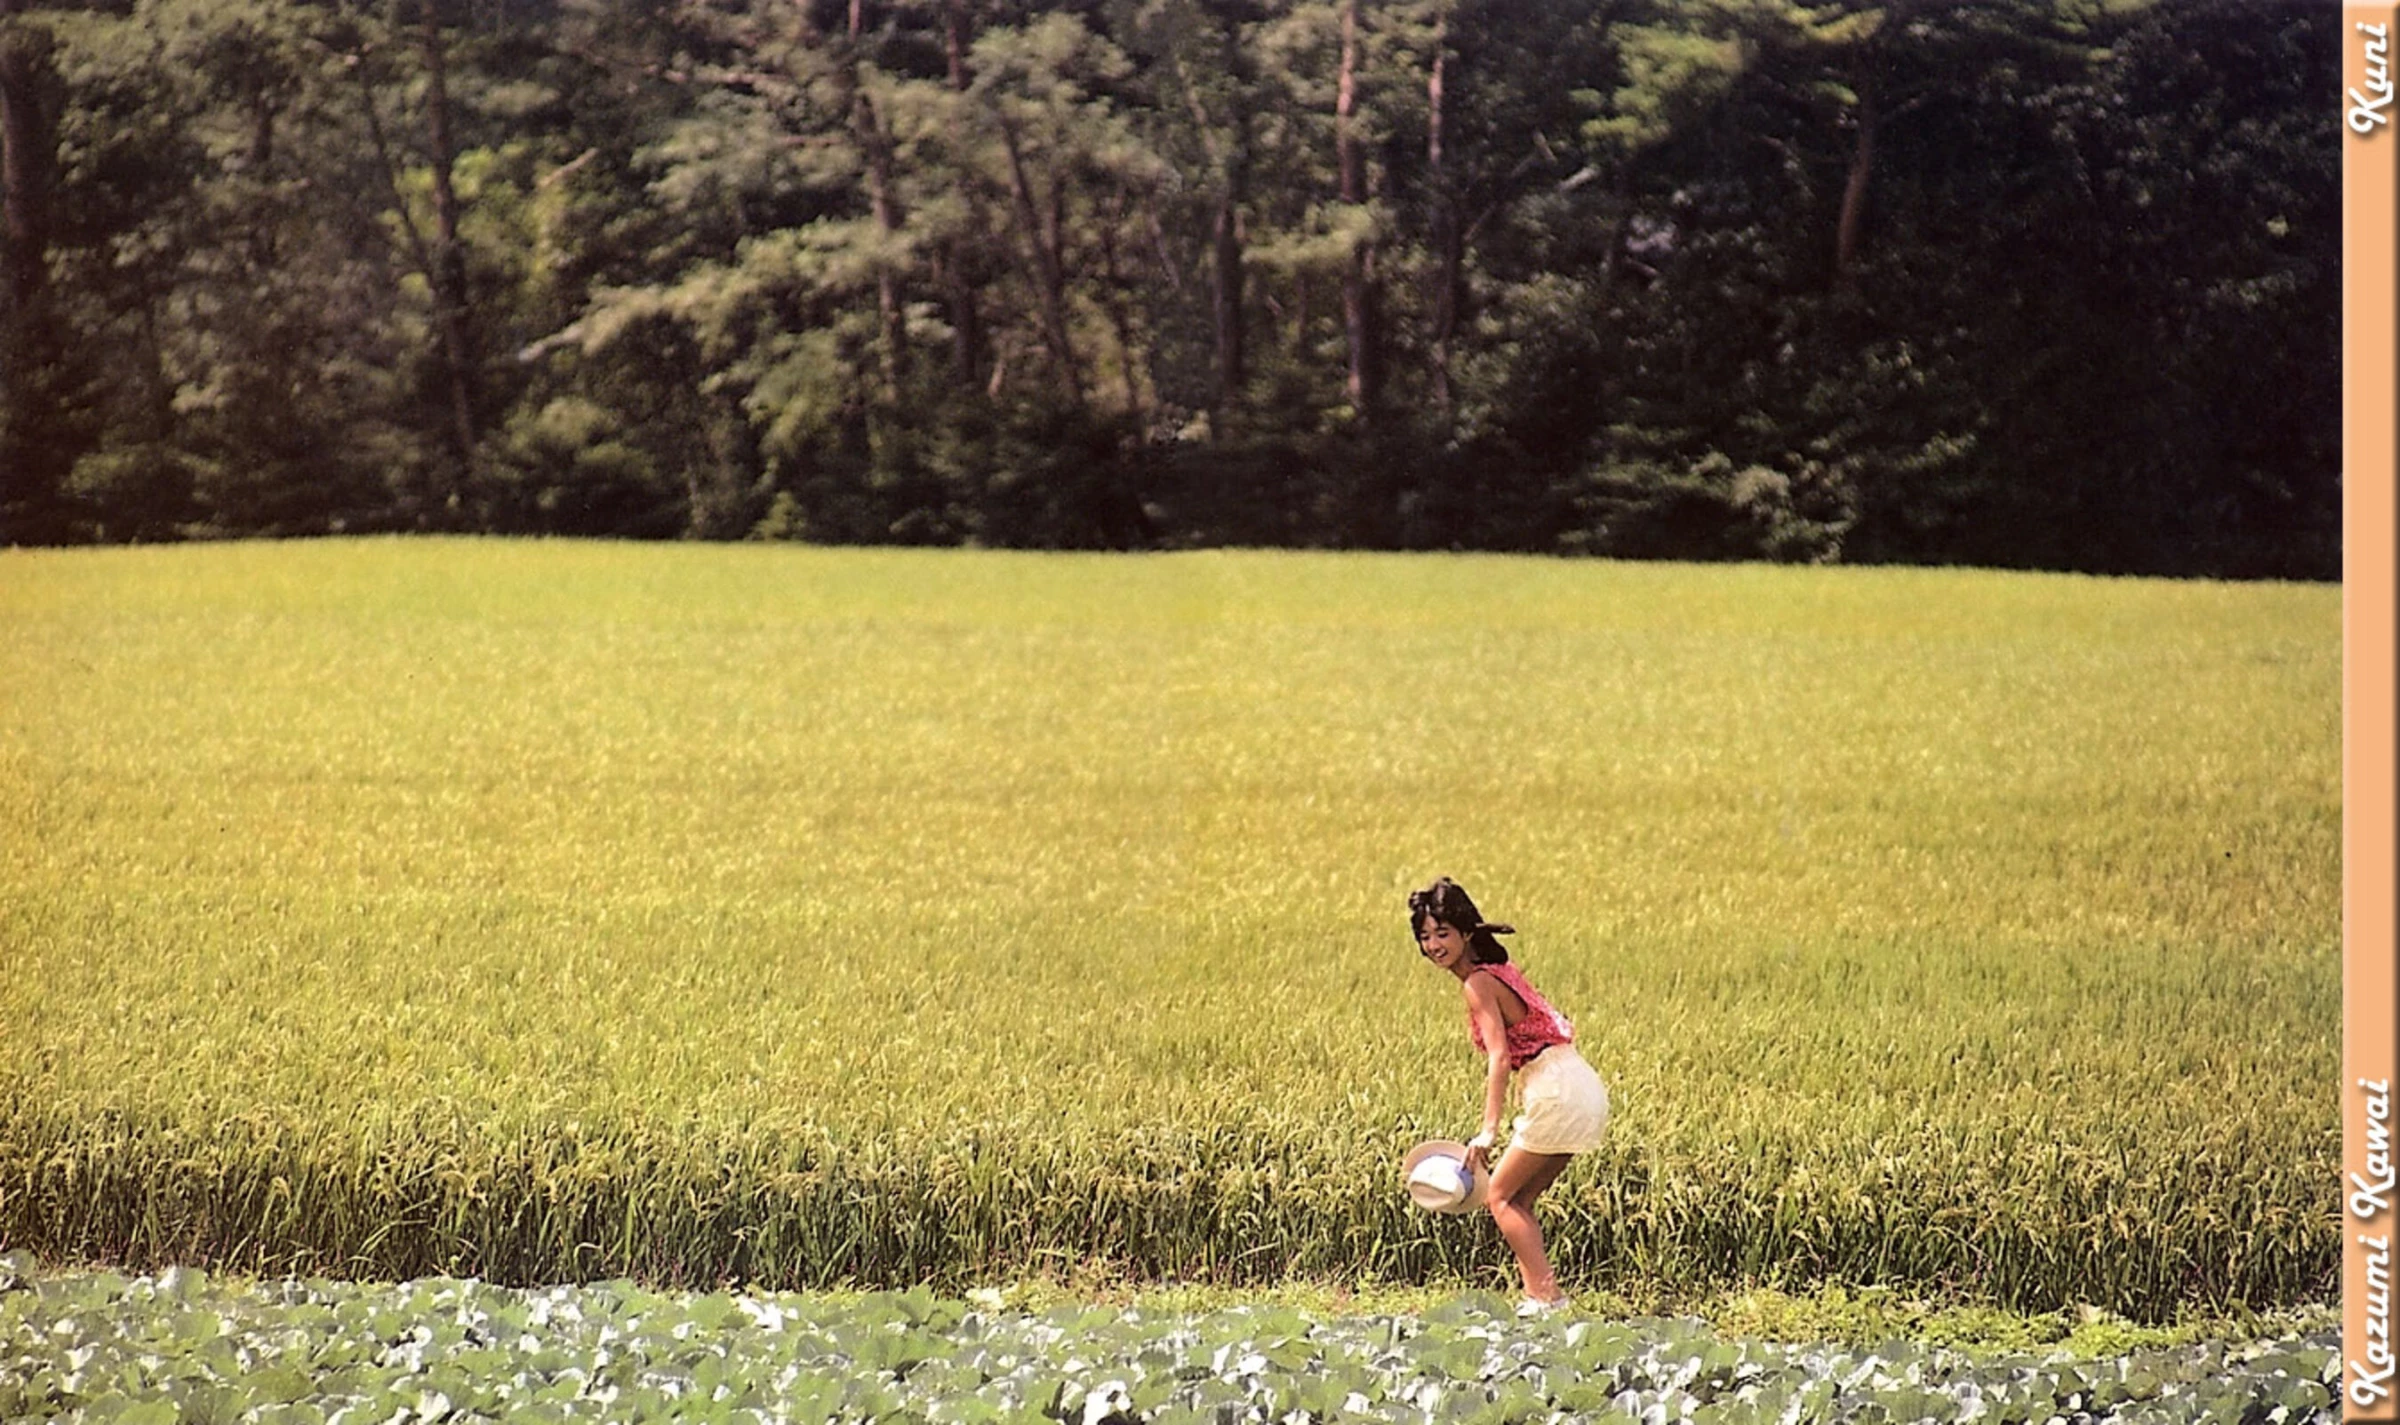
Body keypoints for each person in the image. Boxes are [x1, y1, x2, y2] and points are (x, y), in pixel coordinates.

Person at [1410, 876, 1610, 1316]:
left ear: (1466, 932)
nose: (1434, 945)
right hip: (1579, 1082)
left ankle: (1547, 1299)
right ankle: (1540, 1298)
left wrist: (1487, 1131)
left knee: (1499, 1197)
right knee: (1517, 1199)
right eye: (1425, 936)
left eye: (1443, 933)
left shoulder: (1477, 982)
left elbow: (1499, 1057)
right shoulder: (1498, 971)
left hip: (1555, 1088)